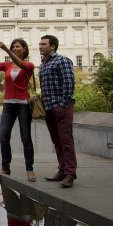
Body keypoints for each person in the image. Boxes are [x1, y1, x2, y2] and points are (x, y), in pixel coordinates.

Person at [0, 39, 36, 182]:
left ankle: (29, 168)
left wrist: (6, 49)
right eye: (13, 47)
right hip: (8, 105)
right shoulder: (6, 65)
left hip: (23, 105)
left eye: (17, 47)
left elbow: (19, 63)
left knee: (26, 138)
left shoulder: (29, 65)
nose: (15, 48)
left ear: (24, 49)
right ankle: (5, 167)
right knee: (3, 137)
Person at [38, 35, 77, 188]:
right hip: (49, 107)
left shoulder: (62, 60)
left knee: (66, 140)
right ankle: (62, 170)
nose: (40, 46)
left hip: (62, 107)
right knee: (57, 141)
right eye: (40, 44)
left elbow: (69, 83)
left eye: (44, 44)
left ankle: (70, 174)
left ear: (53, 46)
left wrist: (62, 104)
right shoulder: (43, 64)